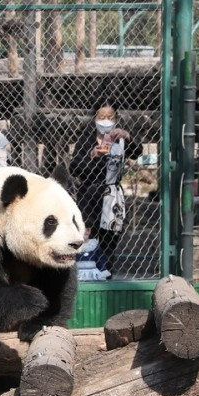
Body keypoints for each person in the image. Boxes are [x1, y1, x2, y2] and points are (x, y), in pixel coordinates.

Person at [68, 101, 141, 275]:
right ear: (95, 118)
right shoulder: (86, 140)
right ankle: (86, 272)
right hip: (89, 192)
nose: (106, 121)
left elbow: (137, 152)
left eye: (110, 117)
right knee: (87, 235)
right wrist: (93, 155)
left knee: (110, 237)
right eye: (102, 117)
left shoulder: (119, 139)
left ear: (116, 119)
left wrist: (127, 136)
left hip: (112, 193)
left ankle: (107, 271)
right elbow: (75, 168)